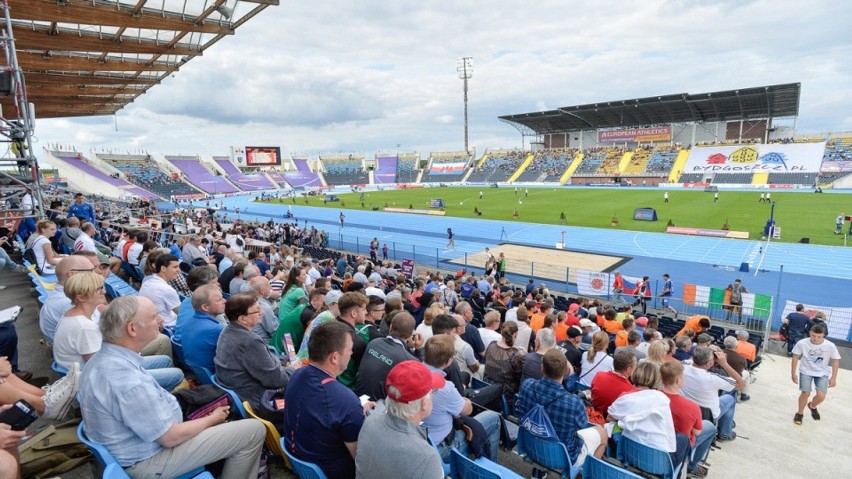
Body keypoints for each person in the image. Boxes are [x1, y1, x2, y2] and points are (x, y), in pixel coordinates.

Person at [283, 321, 371, 479]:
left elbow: (324, 410)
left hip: (298, 455)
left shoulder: (298, 374)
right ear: (335, 357)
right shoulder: (346, 401)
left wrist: (357, 411)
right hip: (331, 471)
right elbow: (361, 460)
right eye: (350, 349)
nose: (351, 353)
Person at [515, 350, 607, 467]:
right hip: (563, 458)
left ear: (542, 368)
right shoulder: (574, 403)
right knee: (602, 433)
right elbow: (582, 425)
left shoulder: (527, 385)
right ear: (565, 371)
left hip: (530, 445)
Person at [354, 361, 445, 479]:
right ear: (424, 404)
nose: (433, 395)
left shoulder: (370, 422)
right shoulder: (426, 458)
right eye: (433, 392)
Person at [421, 334, 501, 463]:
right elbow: (467, 411)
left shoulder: (412, 373)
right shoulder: (446, 388)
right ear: (449, 361)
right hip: (442, 448)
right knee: (494, 418)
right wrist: (465, 401)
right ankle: (491, 467)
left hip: (421, 438)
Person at [215, 294, 295, 412]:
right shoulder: (250, 341)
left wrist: (282, 361)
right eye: (257, 311)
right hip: (255, 400)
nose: (262, 312)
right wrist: (294, 369)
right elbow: (276, 379)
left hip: (239, 391)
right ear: (242, 318)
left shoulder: (227, 330)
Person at [607, 362, 690, 471]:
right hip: (657, 464)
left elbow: (609, 417)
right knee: (684, 439)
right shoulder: (661, 399)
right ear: (657, 379)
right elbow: (667, 432)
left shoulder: (625, 398)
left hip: (629, 453)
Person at [660, 361, 716, 479]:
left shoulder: (654, 395)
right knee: (710, 427)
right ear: (678, 381)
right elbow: (697, 432)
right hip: (678, 447)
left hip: (658, 440)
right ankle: (692, 466)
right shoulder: (692, 407)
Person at [680, 346, 744, 442]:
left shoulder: (683, 366)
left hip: (687, 408)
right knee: (729, 398)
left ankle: (725, 427)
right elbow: (741, 384)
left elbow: (690, 361)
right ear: (709, 363)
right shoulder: (713, 378)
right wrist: (725, 364)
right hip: (708, 415)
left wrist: (705, 352)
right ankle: (725, 433)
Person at [354, 312, 423, 401]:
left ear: (390, 327)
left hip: (356, 396)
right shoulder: (409, 360)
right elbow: (421, 373)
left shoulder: (374, 342)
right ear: (410, 335)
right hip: (377, 407)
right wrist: (419, 348)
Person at [791, 323, 840, 425]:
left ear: (824, 335)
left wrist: (834, 378)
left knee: (821, 395)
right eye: (813, 335)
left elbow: (835, 360)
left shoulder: (830, 345)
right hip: (806, 371)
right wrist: (793, 373)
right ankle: (800, 413)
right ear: (809, 333)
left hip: (822, 372)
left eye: (819, 336)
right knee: (805, 393)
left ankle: (812, 406)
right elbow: (795, 357)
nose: (816, 339)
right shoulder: (802, 343)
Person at [182, 284, 226, 373]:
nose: (224, 301)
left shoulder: (187, 322)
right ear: (205, 307)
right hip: (215, 376)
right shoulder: (216, 329)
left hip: (198, 374)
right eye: (219, 300)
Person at [138, 254, 182, 328]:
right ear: (163, 268)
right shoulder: (167, 289)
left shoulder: (147, 282)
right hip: (168, 325)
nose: (179, 270)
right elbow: (182, 314)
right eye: (175, 267)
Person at [590, 349, 637, 418]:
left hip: (593, 417)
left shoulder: (599, 375)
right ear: (629, 369)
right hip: (610, 423)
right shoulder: (631, 391)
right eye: (636, 365)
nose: (637, 368)